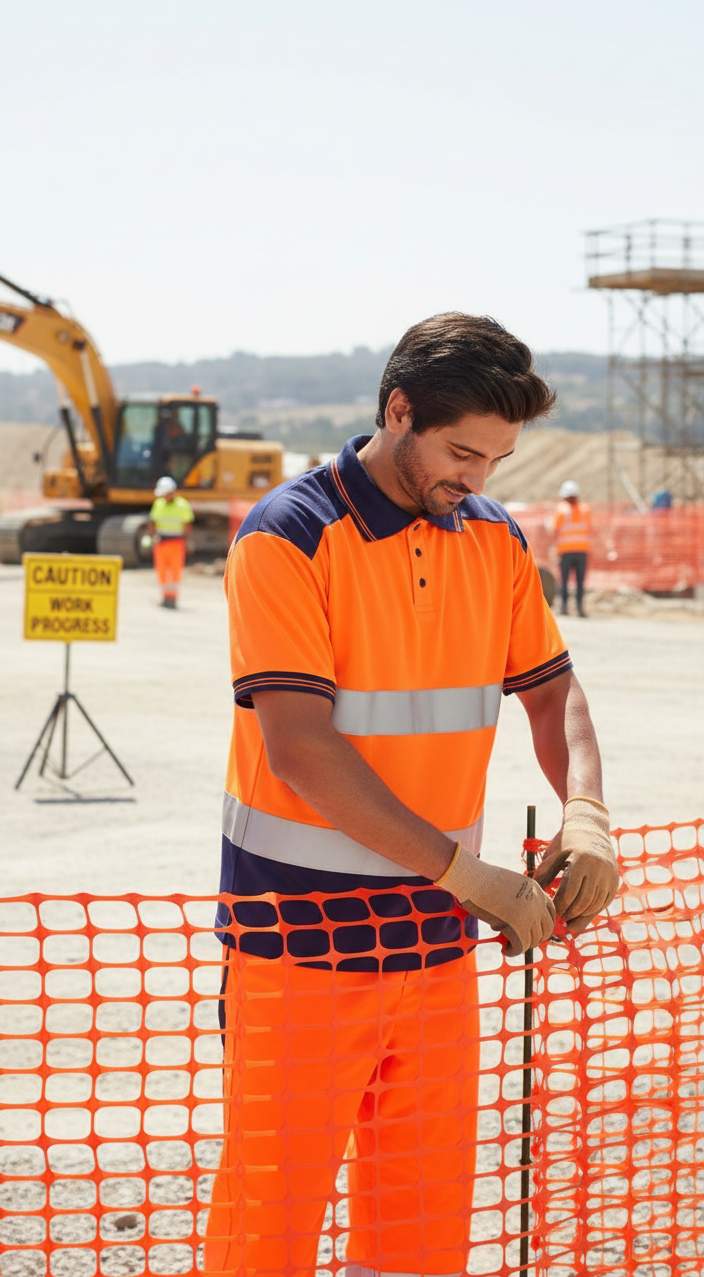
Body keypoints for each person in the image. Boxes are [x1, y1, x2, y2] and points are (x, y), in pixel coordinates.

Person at [205, 313, 619, 1277]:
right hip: (298, 949)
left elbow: (554, 693)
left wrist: (588, 814)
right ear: (398, 410)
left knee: (420, 1238)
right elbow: (303, 750)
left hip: (434, 954)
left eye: (498, 458)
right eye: (462, 451)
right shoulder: (287, 538)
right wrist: (466, 874)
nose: (477, 479)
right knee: (266, 1235)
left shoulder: (494, 538)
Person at [147, 476, 194, 608]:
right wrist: (150, 537)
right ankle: (165, 596)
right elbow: (153, 522)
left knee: (174, 571)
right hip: (161, 542)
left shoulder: (182, 505)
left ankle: (172, 598)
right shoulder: (159, 504)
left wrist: (188, 541)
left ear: (171, 492)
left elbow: (187, 525)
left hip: (176, 543)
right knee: (162, 571)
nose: (164, 497)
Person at [553, 480, 592, 617]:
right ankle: (579, 607)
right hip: (582, 550)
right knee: (580, 582)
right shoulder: (585, 509)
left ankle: (564, 607)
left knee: (564, 580)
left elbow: (554, 529)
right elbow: (589, 528)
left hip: (566, 551)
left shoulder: (561, 510)